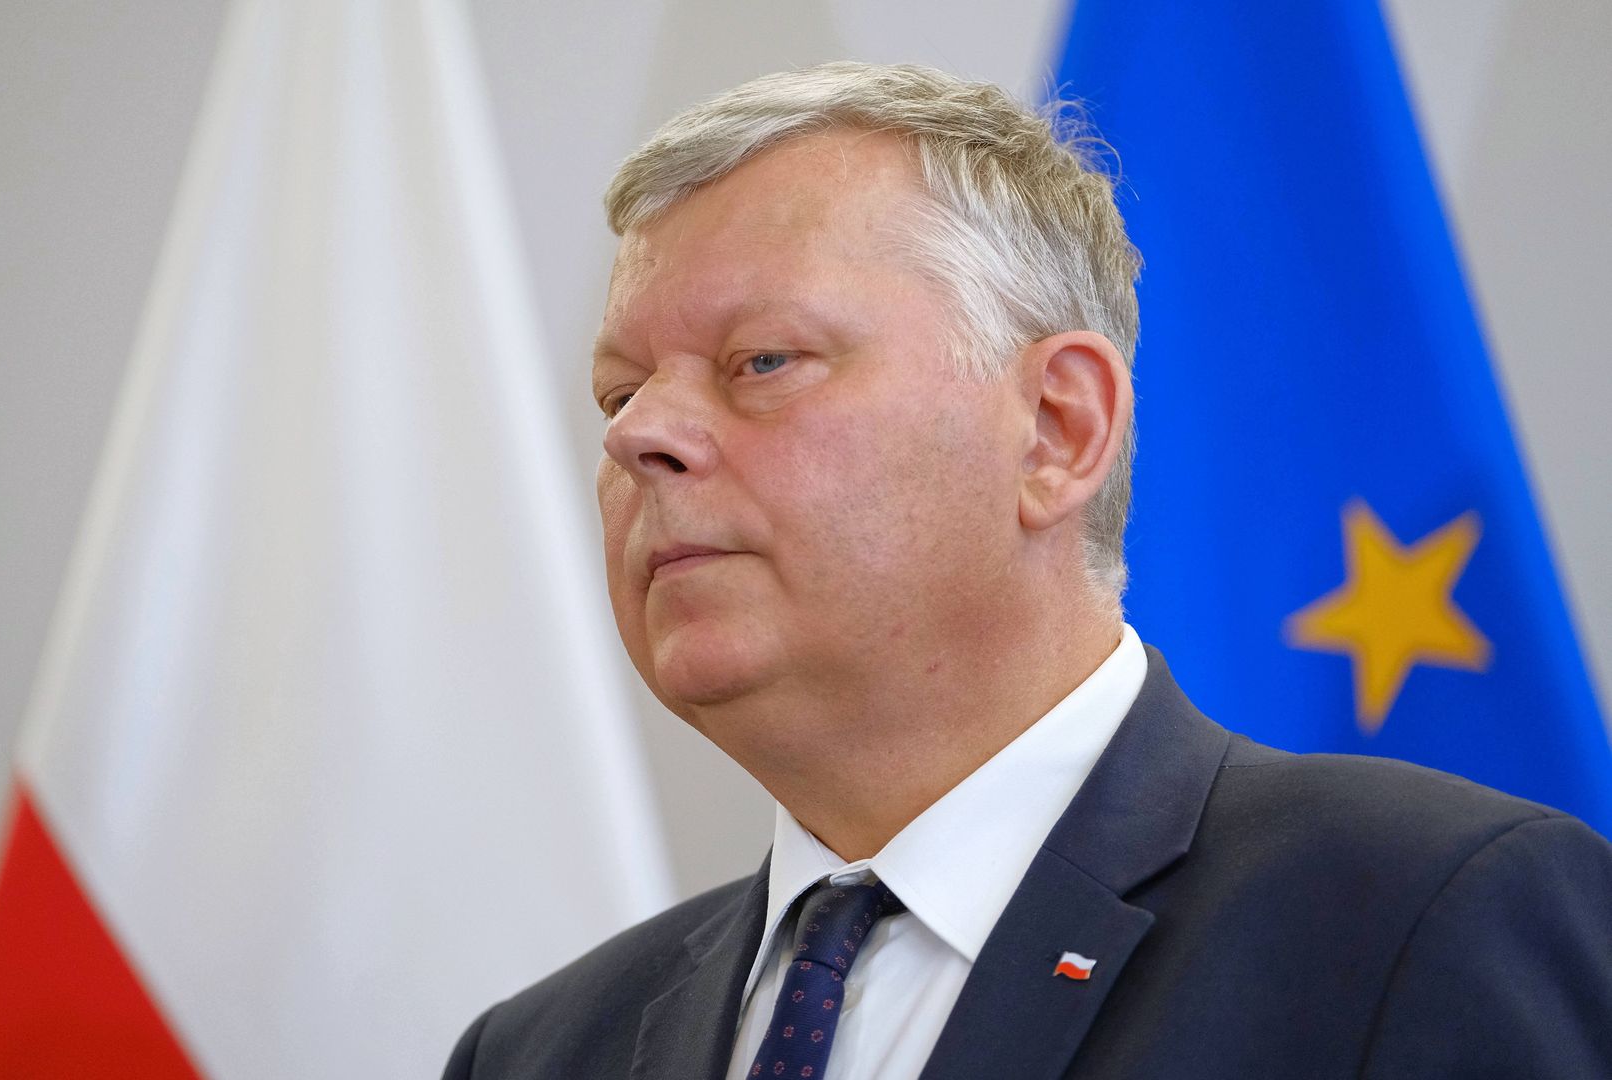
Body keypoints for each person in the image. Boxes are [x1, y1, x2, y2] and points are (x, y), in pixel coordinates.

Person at [444, 62, 1612, 1079]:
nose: (639, 436)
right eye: (619, 392)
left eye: (761, 361)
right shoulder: (540, 1051)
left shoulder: (1420, 921)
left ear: (1056, 430)